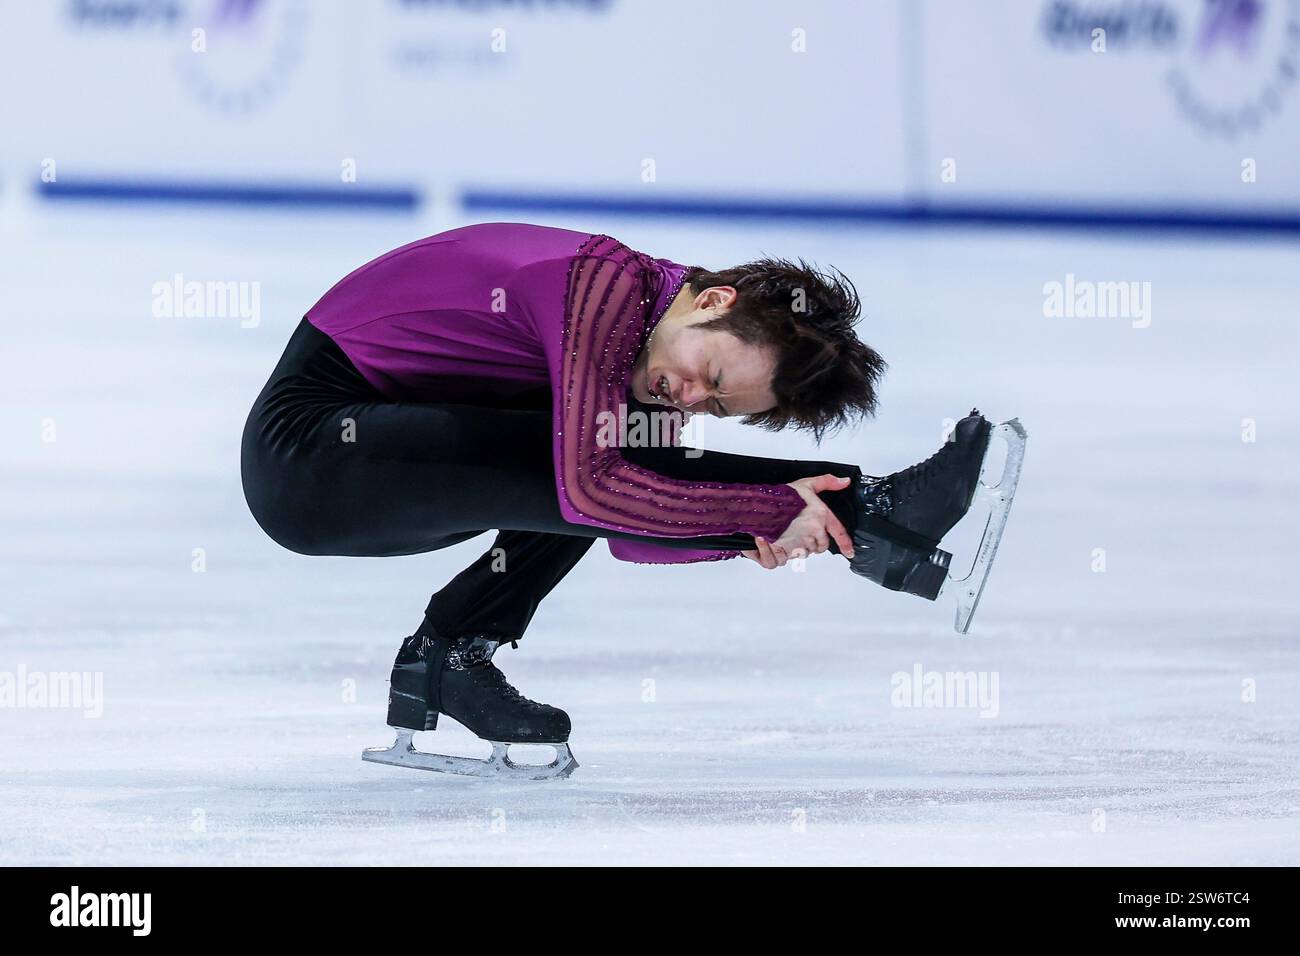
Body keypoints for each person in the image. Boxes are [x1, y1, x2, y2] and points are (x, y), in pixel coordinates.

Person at [240, 222, 994, 777]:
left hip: (391, 452)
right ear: (713, 301)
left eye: (718, 409)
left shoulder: (651, 354)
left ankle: (447, 659)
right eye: (711, 373)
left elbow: (633, 530)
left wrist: (754, 526)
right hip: (310, 455)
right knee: (601, 463)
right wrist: (767, 512)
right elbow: (597, 493)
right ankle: (874, 510)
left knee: (616, 457)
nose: (692, 398)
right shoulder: (600, 287)